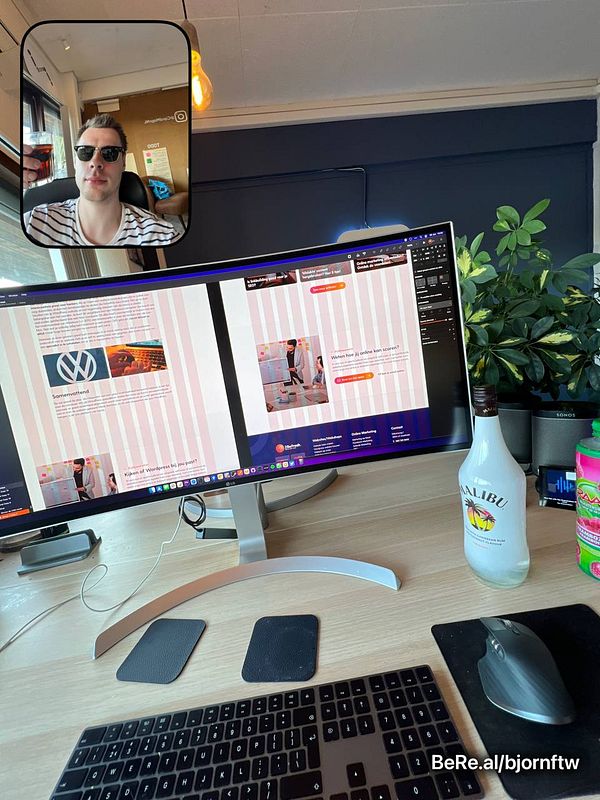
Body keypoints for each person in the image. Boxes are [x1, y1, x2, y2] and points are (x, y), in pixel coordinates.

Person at [23, 114, 180, 247]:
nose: (95, 162)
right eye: (85, 152)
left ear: (123, 162)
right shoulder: (35, 222)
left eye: (110, 153)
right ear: (76, 161)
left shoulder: (162, 236)